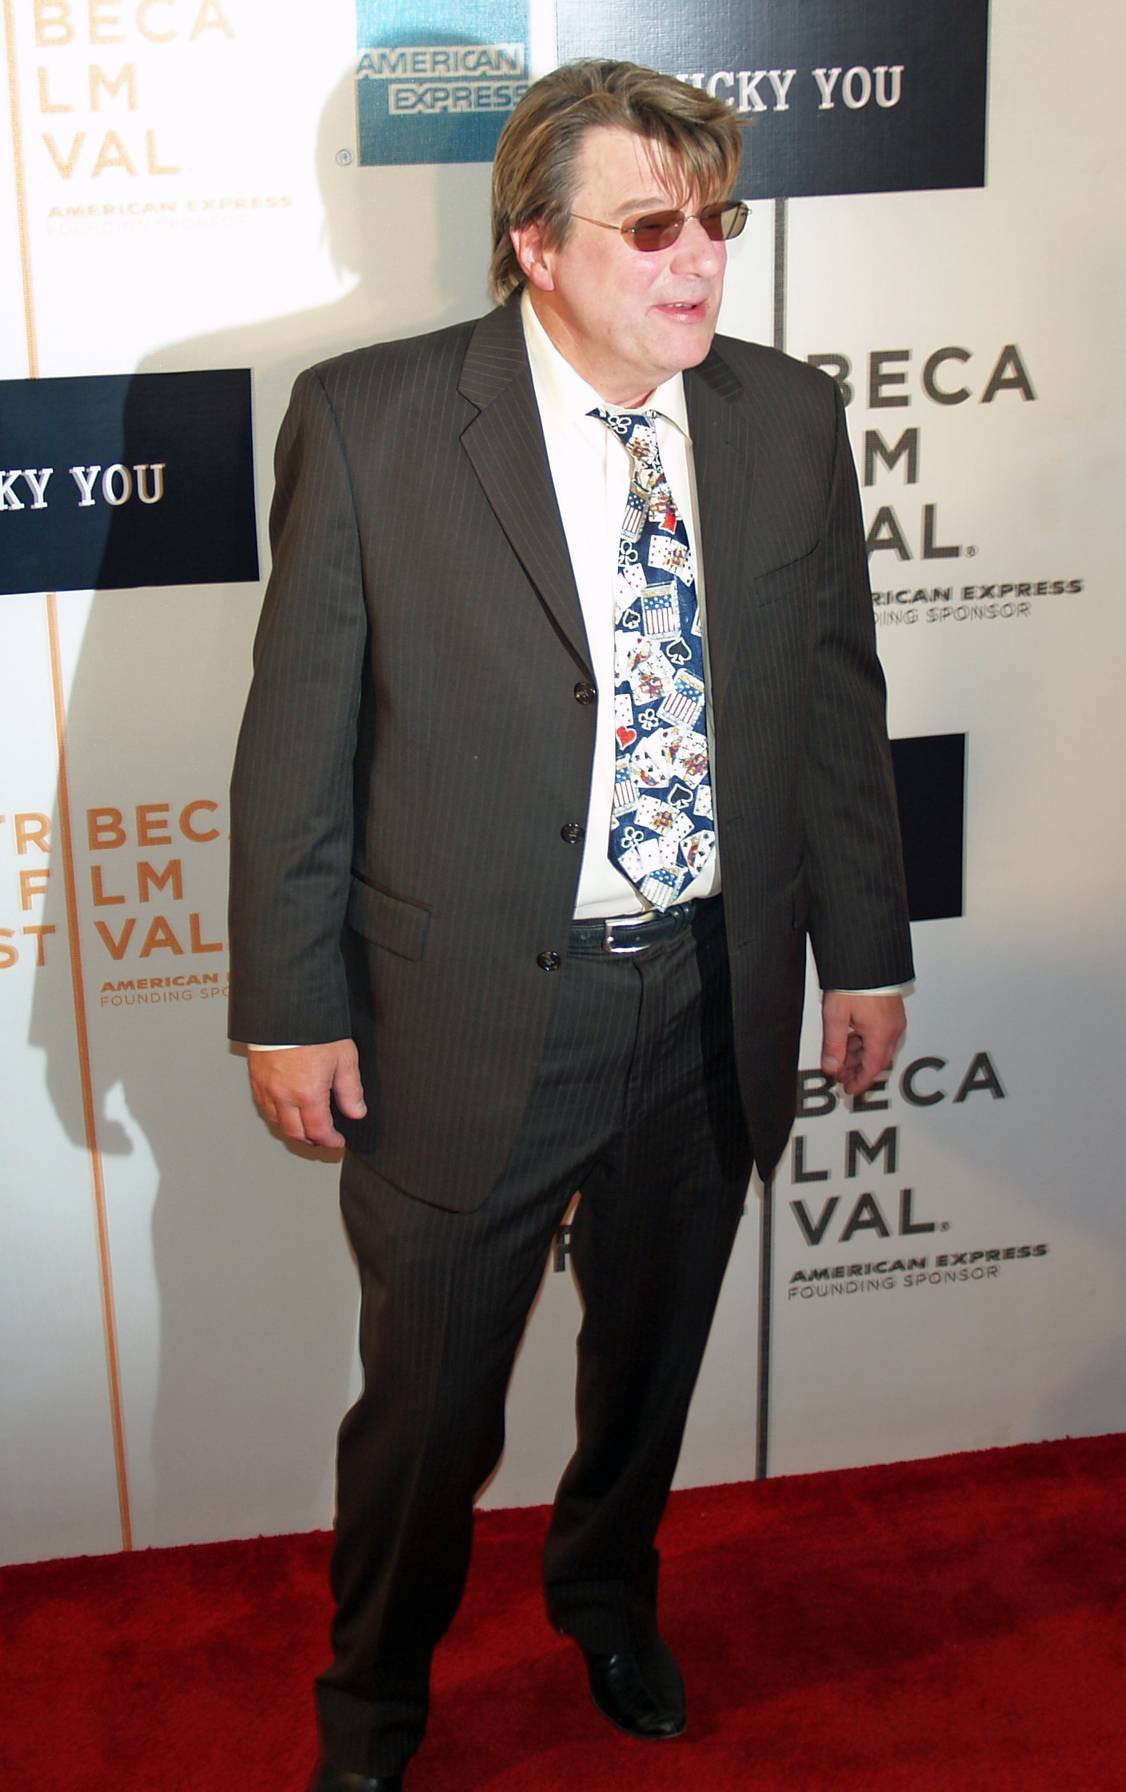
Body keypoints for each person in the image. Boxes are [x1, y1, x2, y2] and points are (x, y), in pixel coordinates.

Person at [228, 59, 914, 1792]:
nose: (700, 260)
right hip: (462, 1017)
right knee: (427, 1416)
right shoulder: (374, 419)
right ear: (534, 244)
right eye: (651, 225)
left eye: (717, 220)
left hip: (707, 995)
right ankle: (372, 1704)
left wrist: (865, 950)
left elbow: (833, 705)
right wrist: (288, 1003)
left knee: (650, 1366)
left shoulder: (784, 416)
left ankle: (606, 1595)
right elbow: (299, 738)